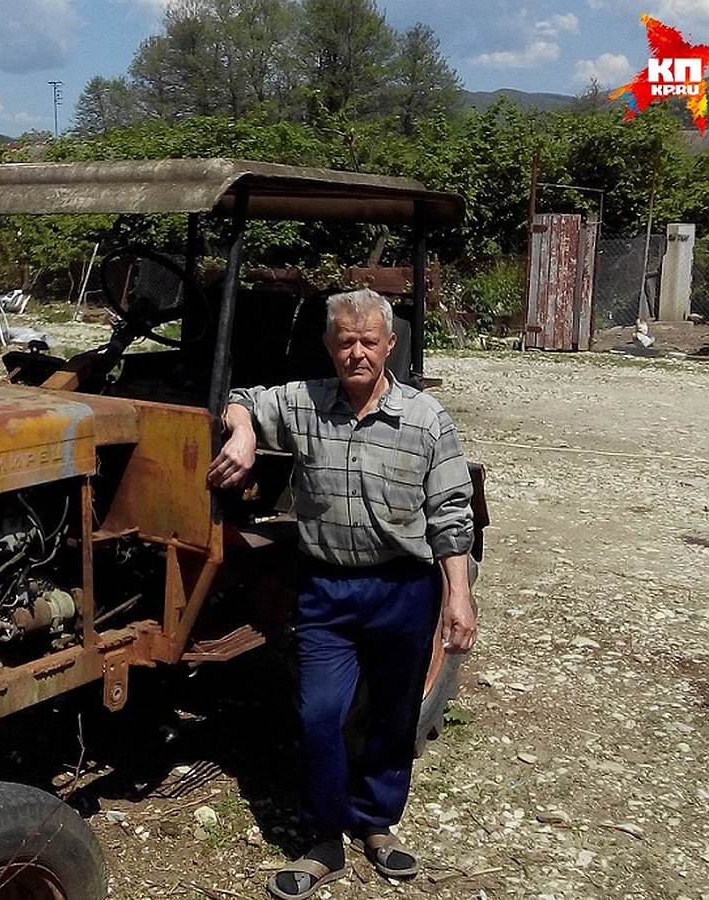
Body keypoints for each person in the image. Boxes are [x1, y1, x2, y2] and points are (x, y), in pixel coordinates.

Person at [206, 288, 477, 900]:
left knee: (393, 713)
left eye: (368, 341)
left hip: (403, 588)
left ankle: (378, 823)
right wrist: (245, 432)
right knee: (319, 713)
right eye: (344, 341)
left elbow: (451, 514)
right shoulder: (304, 403)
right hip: (326, 587)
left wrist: (458, 595)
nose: (356, 352)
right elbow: (237, 397)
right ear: (330, 346)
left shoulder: (426, 419)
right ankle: (325, 839)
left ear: (390, 345)